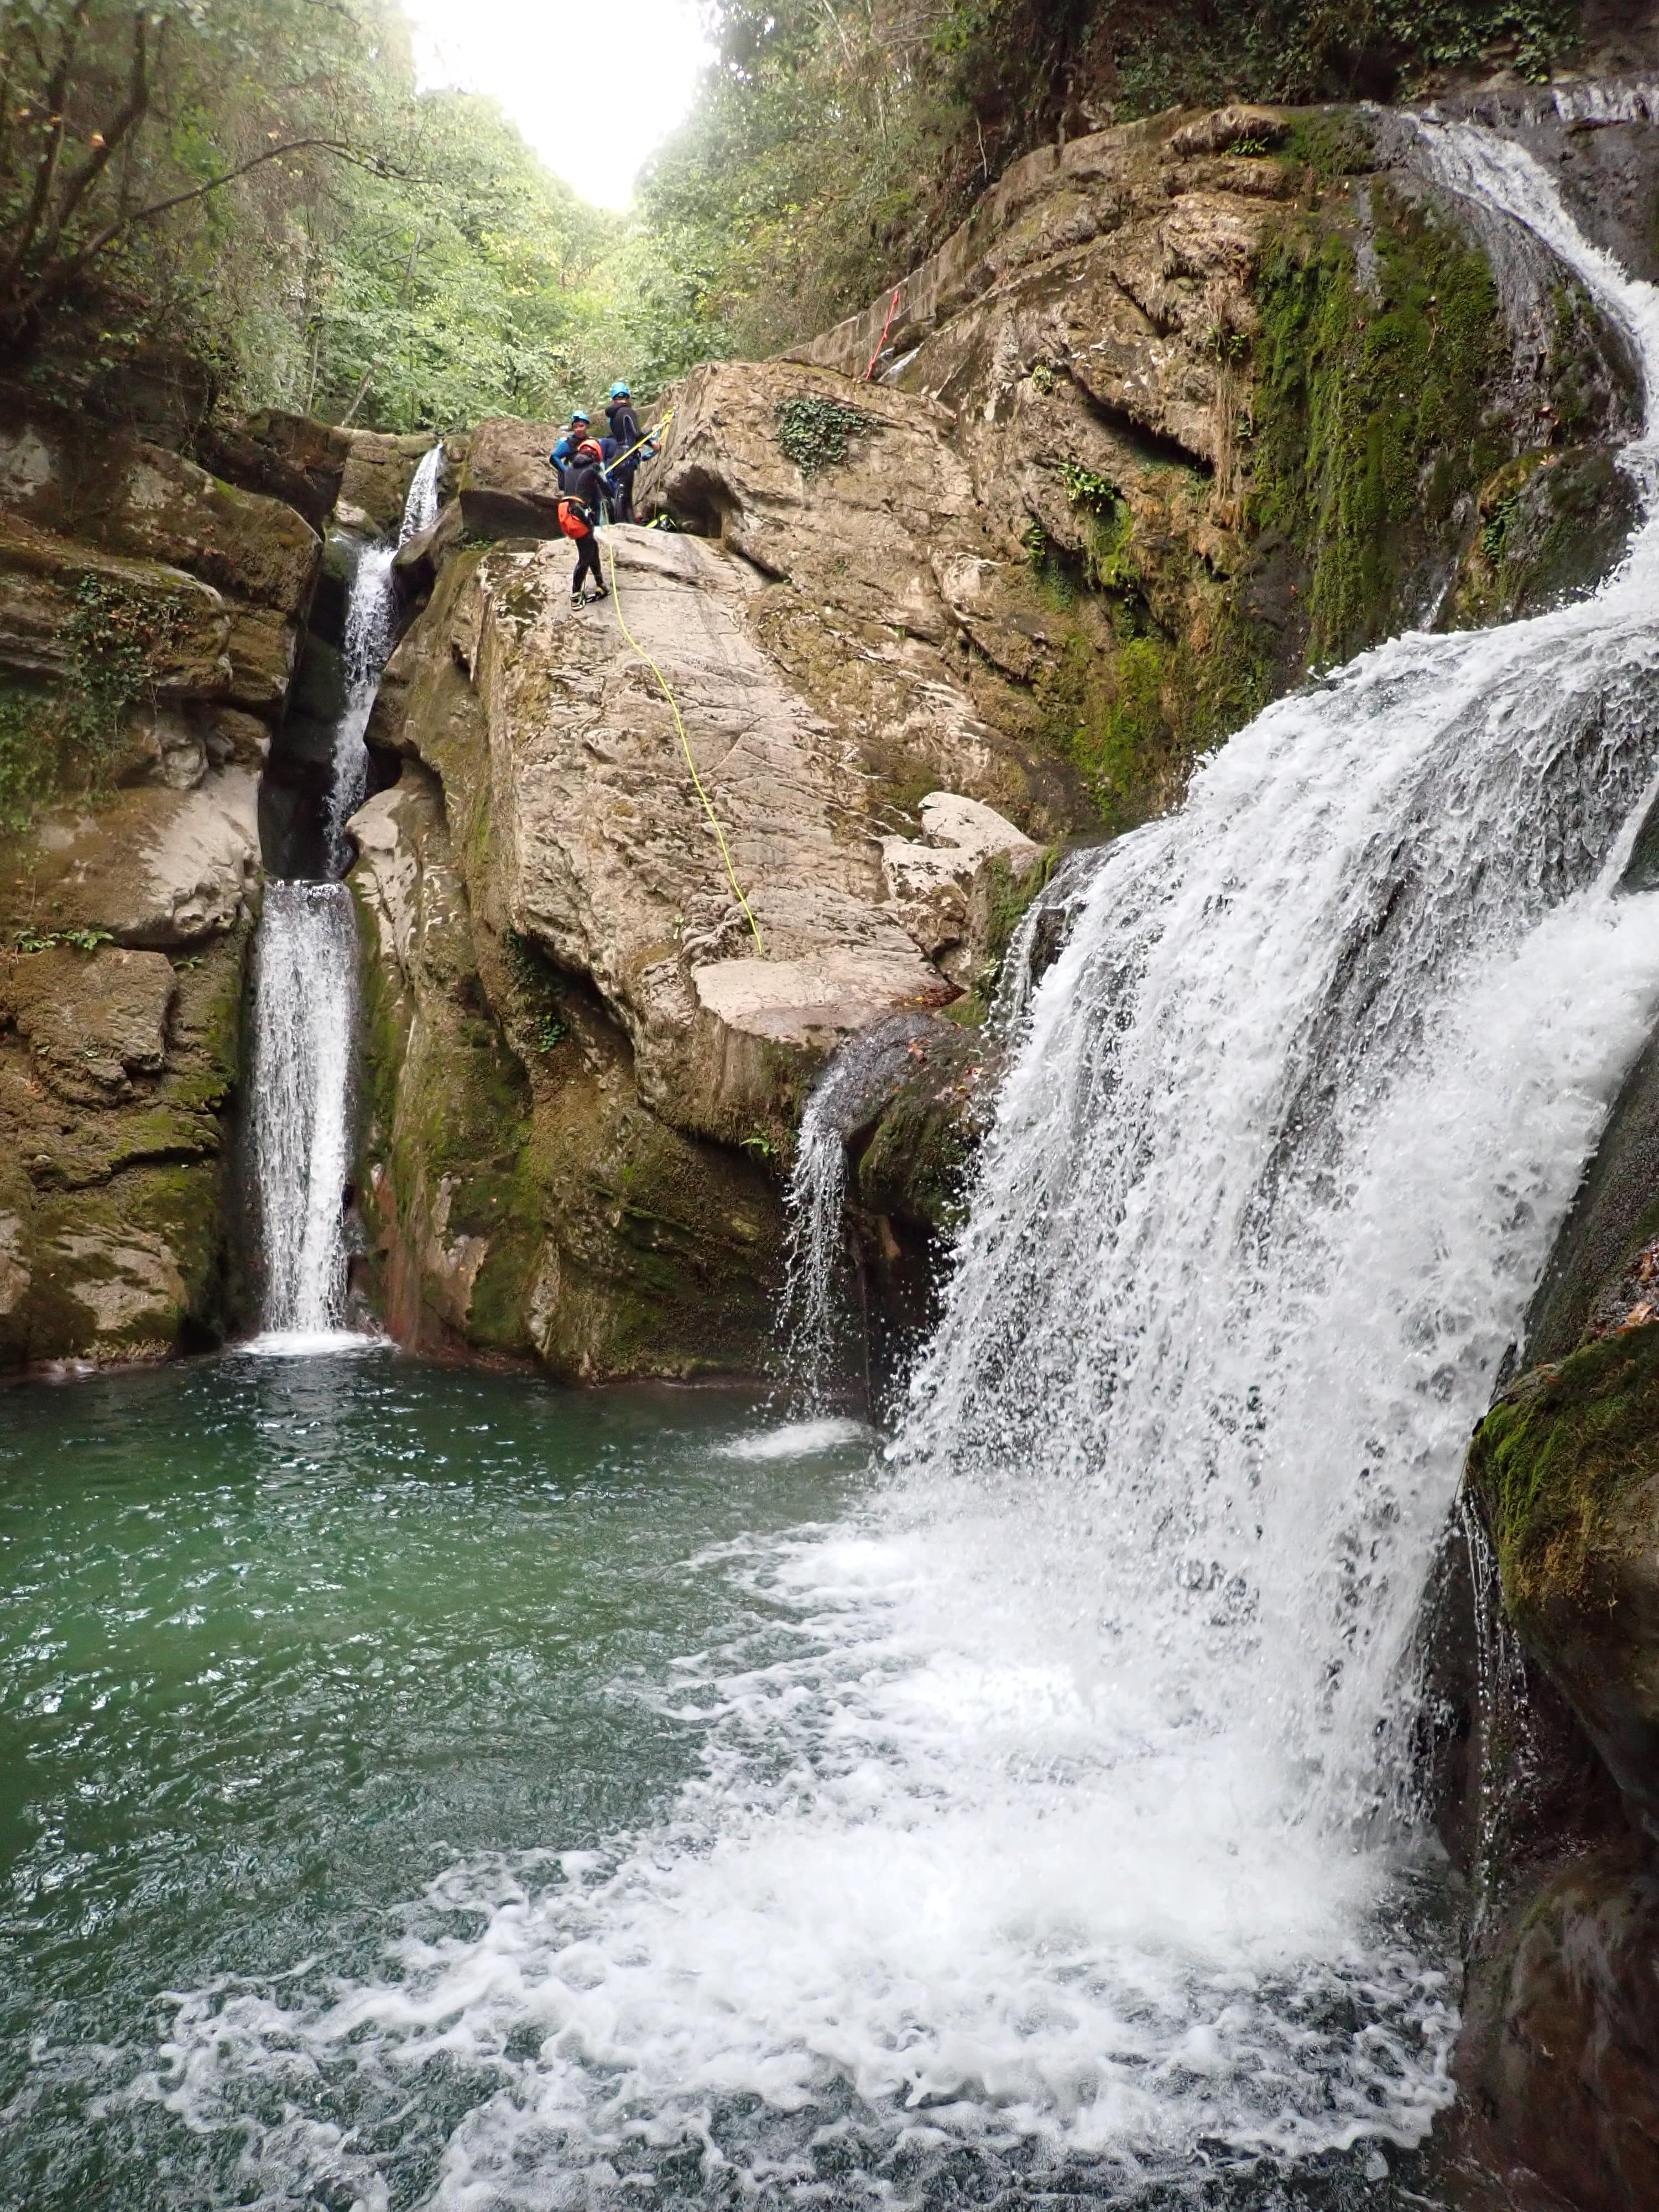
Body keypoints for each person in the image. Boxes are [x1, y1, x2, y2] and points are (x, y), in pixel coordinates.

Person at [559, 437, 609, 604]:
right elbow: (607, 489)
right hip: (580, 514)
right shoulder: (594, 467)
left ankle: (600, 584)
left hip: (566, 512)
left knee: (591, 546)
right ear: (595, 455)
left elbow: (565, 486)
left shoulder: (568, 469)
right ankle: (575, 595)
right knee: (585, 556)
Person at [604, 382, 648, 525]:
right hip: (627, 456)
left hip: (618, 455)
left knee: (624, 491)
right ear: (628, 398)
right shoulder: (628, 412)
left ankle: (630, 524)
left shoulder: (613, 416)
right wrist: (652, 443)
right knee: (624, 492)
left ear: (613, 399)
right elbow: (637, 433)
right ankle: (622, 523)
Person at [547, 408, 592, 488]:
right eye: (575, 427)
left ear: (587, 426)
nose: (578, 429)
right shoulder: (568, 443)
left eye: (581, 426)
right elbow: (554, 457)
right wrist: (567, 471)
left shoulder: (592, 441)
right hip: (573, 483)